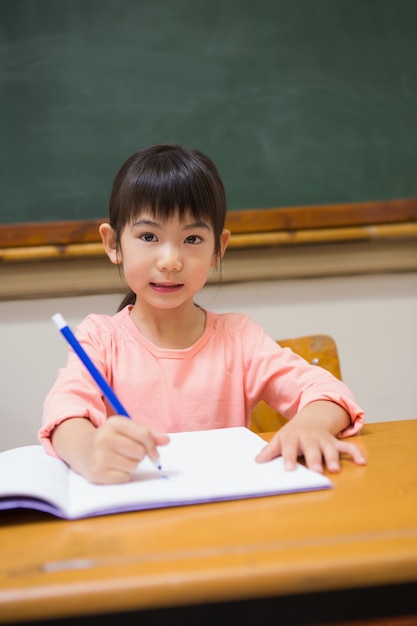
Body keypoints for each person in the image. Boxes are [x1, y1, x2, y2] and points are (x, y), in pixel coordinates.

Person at [39, 143, 366, 484]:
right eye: (148, 236)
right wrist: (89, 449)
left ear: (218, 249)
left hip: (225, 516)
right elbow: (64, 414)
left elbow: (331, 394)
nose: (170, 261)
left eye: (192, 239)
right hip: (136, 516)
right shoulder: (99, 339)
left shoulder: (239, 338)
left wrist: (310, 424)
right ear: (113, 243)